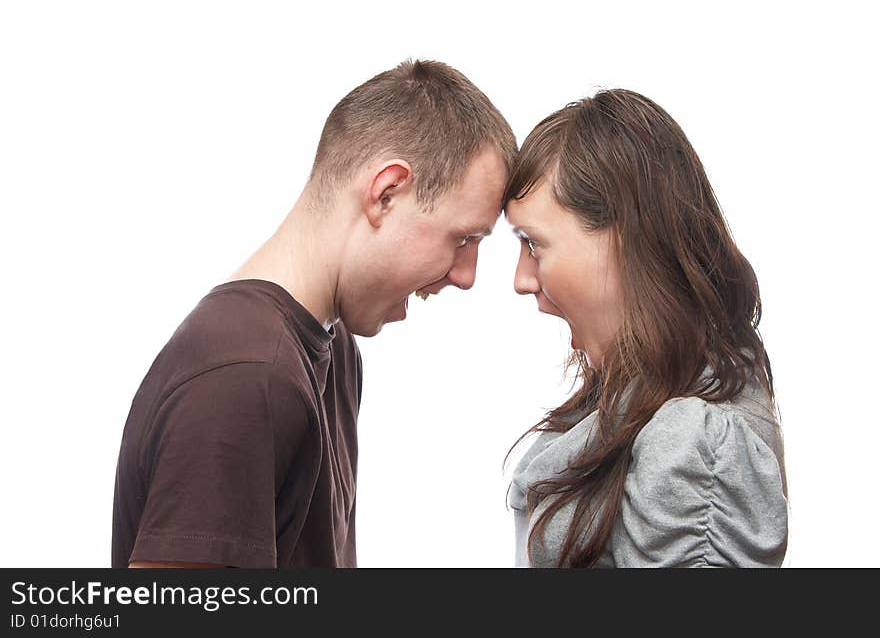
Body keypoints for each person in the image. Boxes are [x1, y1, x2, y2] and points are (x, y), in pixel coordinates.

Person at [112, 59, 516, 568]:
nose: (466, 275)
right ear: (386, 193)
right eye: (463, 239)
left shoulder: (333, 346)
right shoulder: (246, 379)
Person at [504, 89, 787, 567]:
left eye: (534, 244)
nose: (521, 280)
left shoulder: (696, 440)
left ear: (624, 239)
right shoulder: (631, 394)